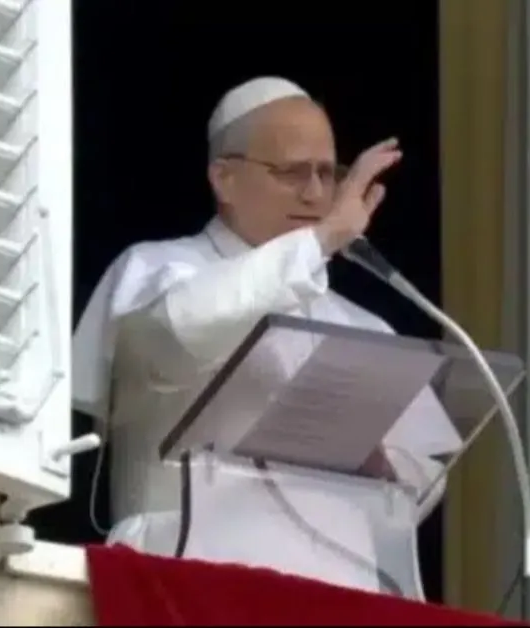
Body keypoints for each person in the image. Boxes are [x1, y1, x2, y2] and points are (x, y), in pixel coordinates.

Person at [70, 77, 460, 595]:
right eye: (293, 172)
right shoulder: (158, 270)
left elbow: (423, 482)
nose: (317, 193)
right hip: (191, 583)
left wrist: (381, 464)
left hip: (343, 590)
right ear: (223, 178)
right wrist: (320, 241)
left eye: (328, 173)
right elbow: (176, 337)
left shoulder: (364, 326)